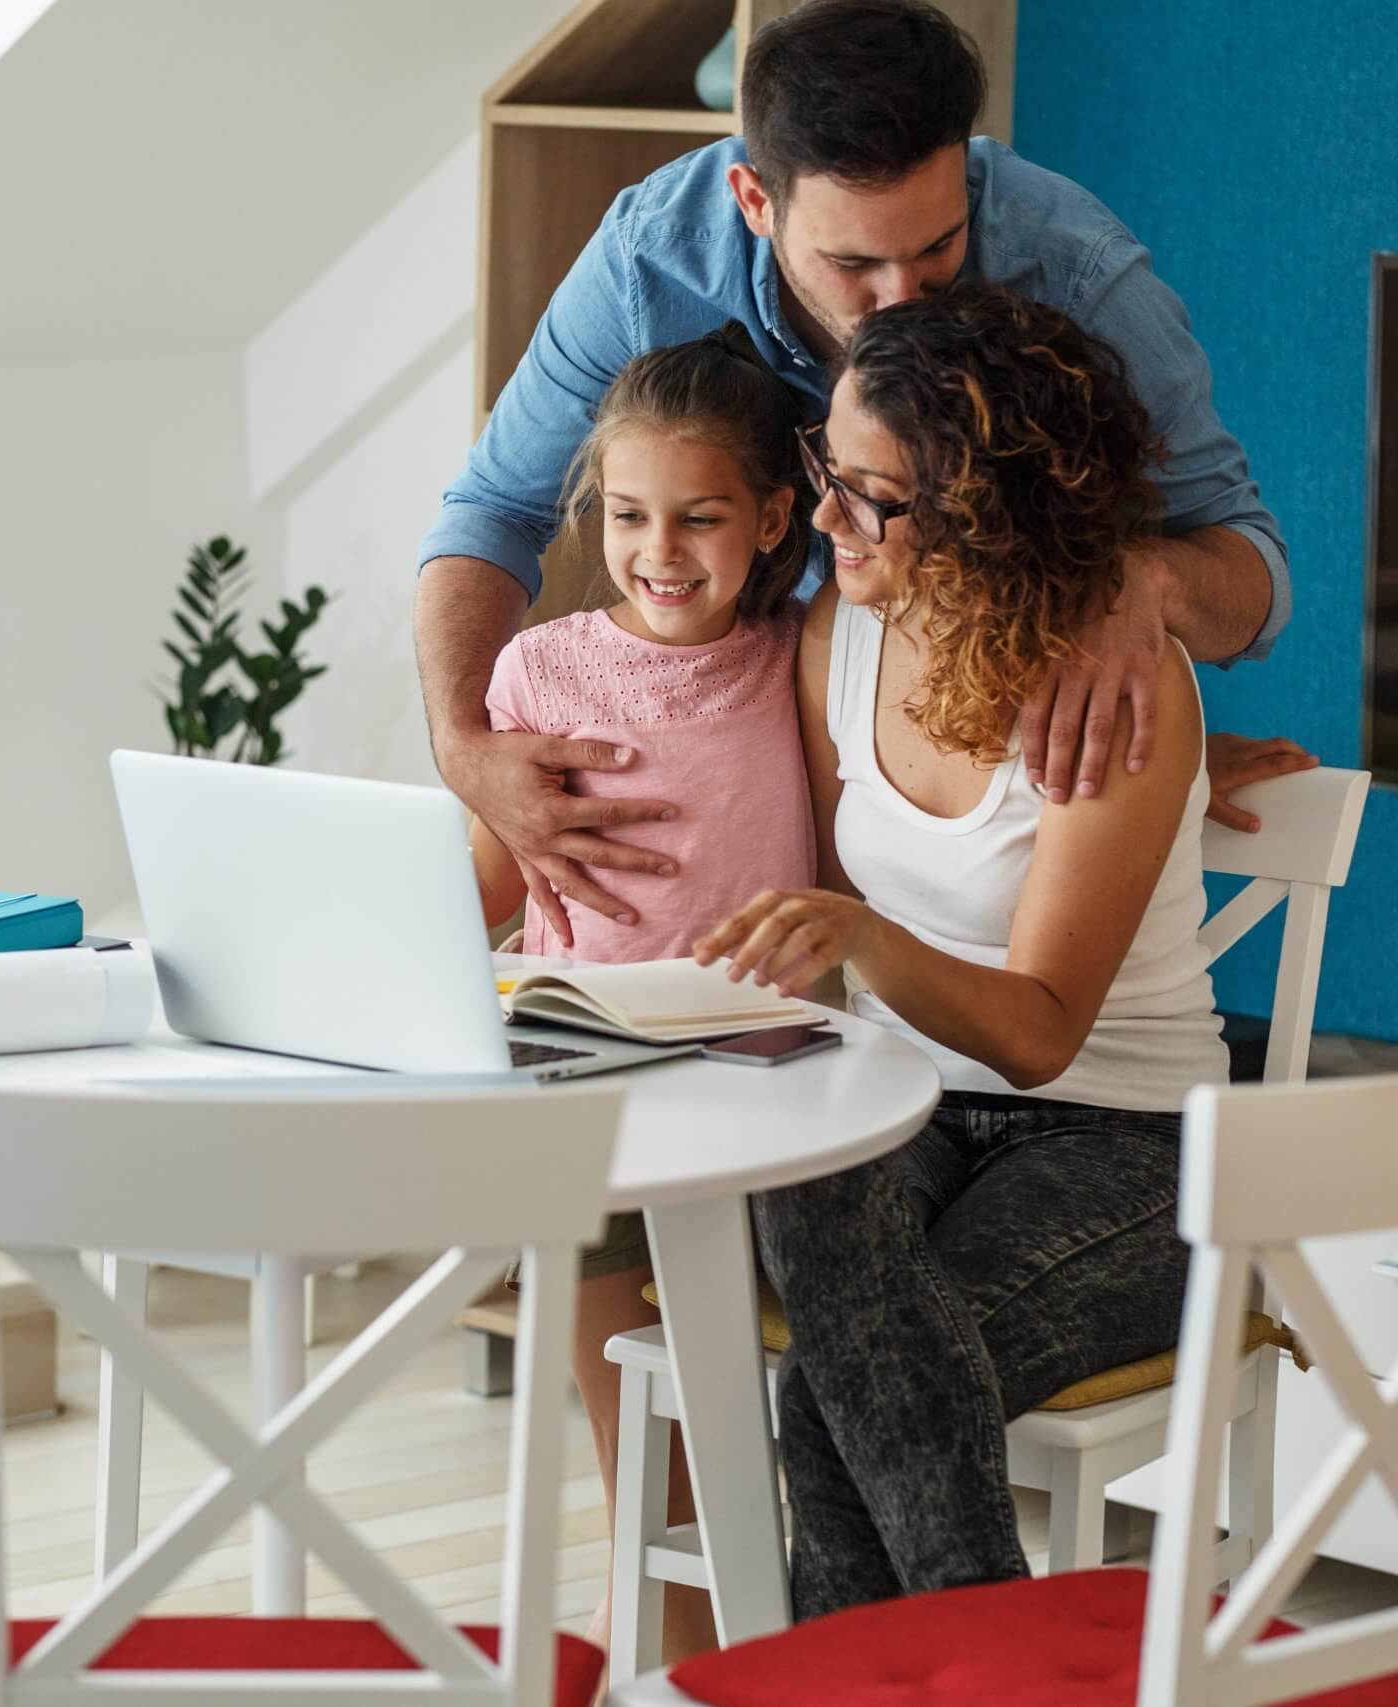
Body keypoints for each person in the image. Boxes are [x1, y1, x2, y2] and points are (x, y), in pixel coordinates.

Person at [418, 0, 1313, 954]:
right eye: (853, 261)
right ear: (755, 202)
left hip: (969, 771)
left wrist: (1145, 584)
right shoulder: (651, 263)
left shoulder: (1076, 271)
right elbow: (494, 508)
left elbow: (1253, 570)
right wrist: (465, 750)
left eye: (937, 248)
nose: (897, 302)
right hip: (788, 752)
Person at [693, 284, 1231, 1617]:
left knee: (843, 1390)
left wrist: (864, 939)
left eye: (867, 495)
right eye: (829, 466)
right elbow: (817, 901)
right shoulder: (844, 630)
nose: (825, 517)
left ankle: (941, 1676)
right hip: (911, 1102)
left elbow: (1046, 1025)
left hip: (1128, 1143)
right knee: (805, 1201)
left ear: (986, 507)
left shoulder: (1119, 682)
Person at [467, 324, 813, 1660]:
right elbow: (494, 878)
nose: (659, 549)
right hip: (587, 1058)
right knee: (582, 1231)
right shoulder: (540, 670)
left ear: (775, 514)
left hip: (763, 1066)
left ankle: (713, 1577)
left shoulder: (804, 657)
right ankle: (655, 1567)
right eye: (626, 515)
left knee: (718, 1318)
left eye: (699, 516)